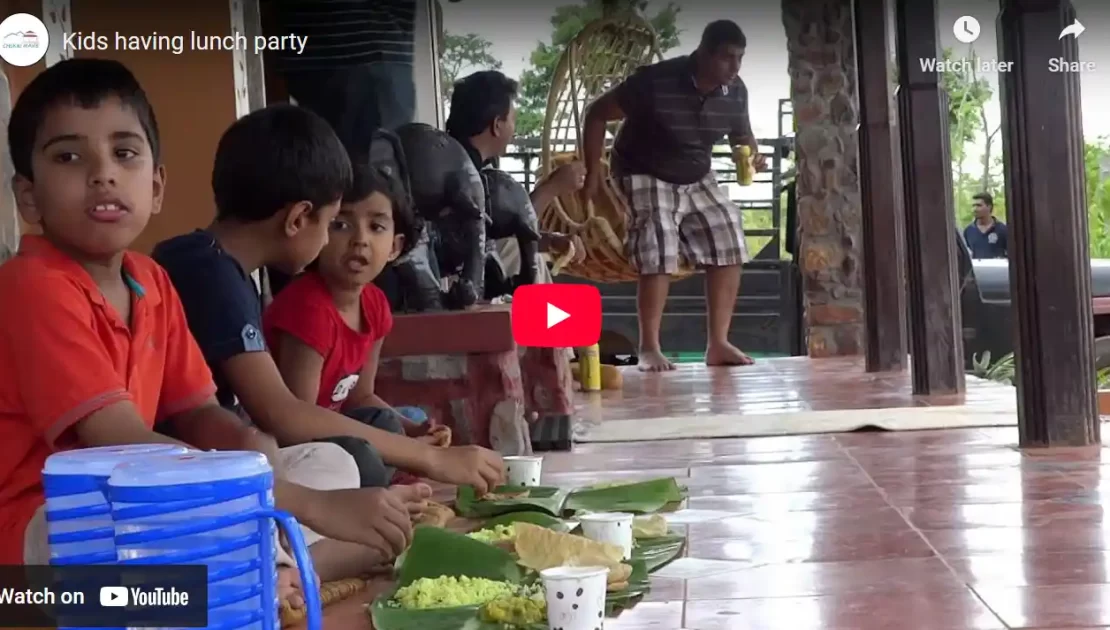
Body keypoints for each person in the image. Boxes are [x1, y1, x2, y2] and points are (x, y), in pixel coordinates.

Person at [0, 59, 430, 598]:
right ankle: (277, 570)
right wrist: (304, 501)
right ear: (29, 197)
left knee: (328, 460)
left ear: (156, 186)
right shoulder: (31, 284)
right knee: (183, 512)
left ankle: (268, 568)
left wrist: (251, 446)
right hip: (53, 525)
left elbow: (199, 412)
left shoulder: (151, 280)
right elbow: (119, 440)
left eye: (124, 153)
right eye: (68, 156)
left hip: (152, 495)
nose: (102, 173)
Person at [151, 105, 506, 496]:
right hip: (177, 463)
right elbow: (283, 414)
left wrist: (410, 440)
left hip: (210, 445)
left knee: (371, 438)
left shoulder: (213, 264)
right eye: (333, 222)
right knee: (337, 464)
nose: (346, 239)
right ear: (298, 219)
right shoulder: (212, 274)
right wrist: (434, 459)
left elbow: (350, 398)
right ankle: (363, 513)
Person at [581, 20, 767, 372]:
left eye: (740, 58)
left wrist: (754, 155)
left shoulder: (735, 91)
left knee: (729, 234)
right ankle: (649, 347)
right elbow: (596, 114)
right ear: (703, 53)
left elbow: (743, 137)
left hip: (696, 174)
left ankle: (717, 343)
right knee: (659, 239)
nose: (735, 67)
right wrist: (593, 172)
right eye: (728, 58)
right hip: (643, 169)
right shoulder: (655, 82)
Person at [263, 163, 451, 487]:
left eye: (376, 227)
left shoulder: (375, 305)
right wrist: (406, 449)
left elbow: (361, 395)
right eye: (341, 225)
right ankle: (379, 493)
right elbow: (296, 421)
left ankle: (386, 480)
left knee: (391, 421)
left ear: (395, 246)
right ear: (318, 231)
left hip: (335, 431)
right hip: (294, 446)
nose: (359, 240)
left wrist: (411, 432)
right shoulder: (309, 308)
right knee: (365, 456)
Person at [445, 70, 587, 284]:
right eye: (512, 119)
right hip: (454, 279)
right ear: (497, 125)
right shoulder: (460, 171)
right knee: (523, 257)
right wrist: (552, 187)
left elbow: (495, 233)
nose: (514, 129)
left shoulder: (456, 158)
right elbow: (487, 238)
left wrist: (549, 241)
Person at [963, 192, 1008, 259]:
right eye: (973, 206)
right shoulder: (968, 231)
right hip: (977, 269)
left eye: (979, 205)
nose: (975, 209)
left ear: (989, 207)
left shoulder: (1003, 230)